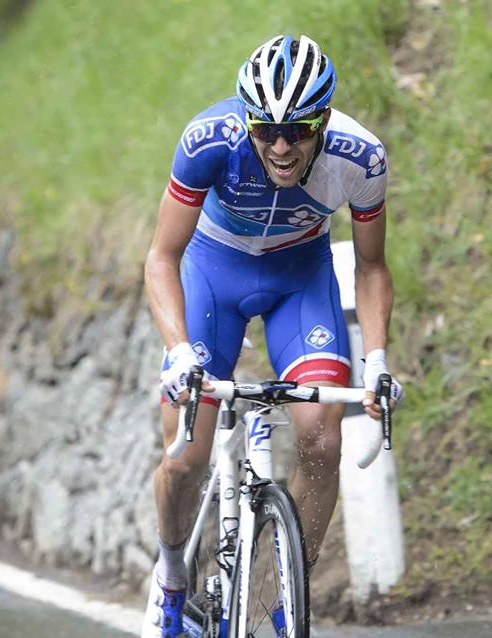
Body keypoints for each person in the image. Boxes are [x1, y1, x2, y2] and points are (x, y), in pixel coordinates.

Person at [141, 35, 404, 637]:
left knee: (322, 437)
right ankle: (173, 575)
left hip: (299, 282)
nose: (281, 147)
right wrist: (178, 352)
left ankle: (290, 599)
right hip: (212, 276)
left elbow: (371, 267)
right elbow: (162, 257)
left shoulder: (361, 158)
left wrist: (377, 359)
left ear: (324, 121)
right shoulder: (208, 140)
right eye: (266, 130)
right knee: (184, 456)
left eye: (298, 130)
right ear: (246, 120)